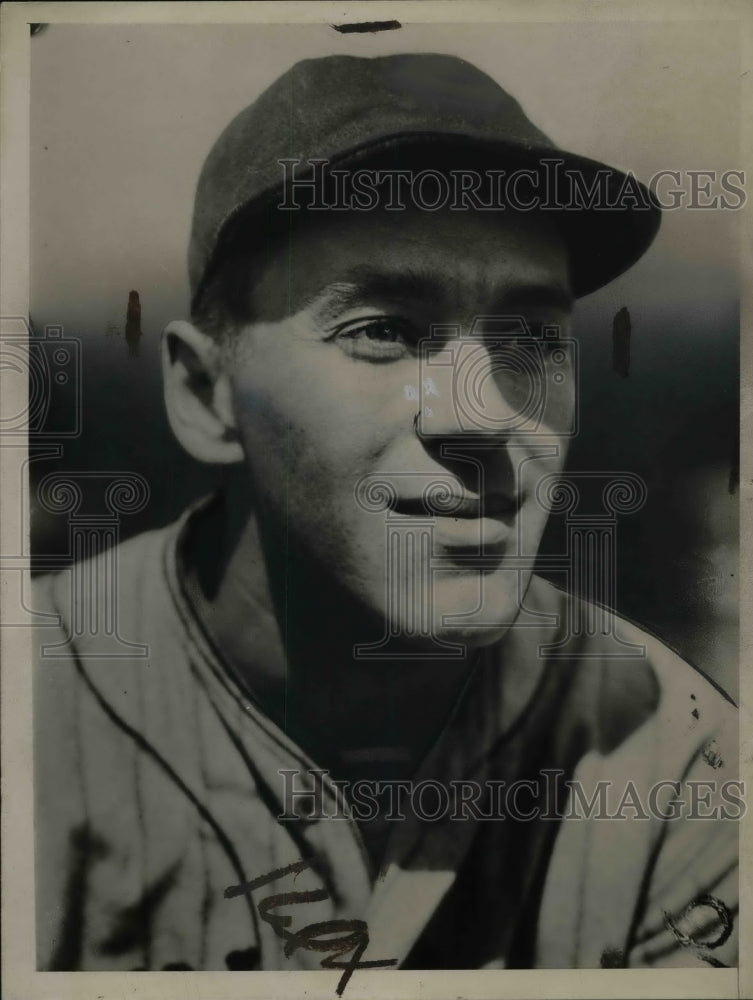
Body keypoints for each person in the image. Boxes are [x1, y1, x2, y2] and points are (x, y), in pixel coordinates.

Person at [33, 53, 739, 974]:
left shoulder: (678, 760)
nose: (481, 415)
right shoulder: (32, 714)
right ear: (208, 394)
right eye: (382, 331)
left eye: (530, 337)